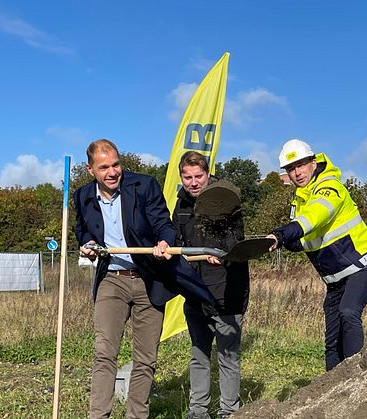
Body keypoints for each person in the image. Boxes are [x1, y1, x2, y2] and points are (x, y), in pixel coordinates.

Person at [75, 139, 214, 419]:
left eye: (116, 164)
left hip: (149, 279)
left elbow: (163, 221)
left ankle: (136, 415)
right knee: (104, 352)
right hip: (111, 279)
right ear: (91, 169)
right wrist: (88, 243)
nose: (112, 172)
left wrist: (164, 241)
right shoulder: (82, 196)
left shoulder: (144, 185)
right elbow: (82, 229)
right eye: (104, 168)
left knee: (145, 359)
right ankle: (98, 415)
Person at [266, 139, 367, 371]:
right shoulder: (300, 201)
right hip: (335, 278)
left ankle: (356, 377)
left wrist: (281, 234)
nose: (297, 172)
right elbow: (306, 240)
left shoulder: (329, 187)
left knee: (349, 312)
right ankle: (330, 392)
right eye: (291, 168)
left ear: (313, 162)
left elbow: (315, 216)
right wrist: (282, 242)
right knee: (331, 341)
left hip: (363, 266)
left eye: (301, 165)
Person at [172, 151, 249, 419]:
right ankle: (198, 411)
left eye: (198, 176)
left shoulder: (225, 200)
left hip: (228, 292)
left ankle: (229, 411)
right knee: (199, 354)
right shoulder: (181, 204)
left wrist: (221, 253)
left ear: (207, 174)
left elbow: (236, 240)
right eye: (187, 177)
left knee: (228, 356)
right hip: (195, 291)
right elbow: (176, 241)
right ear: (181, 177)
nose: (193, 182)